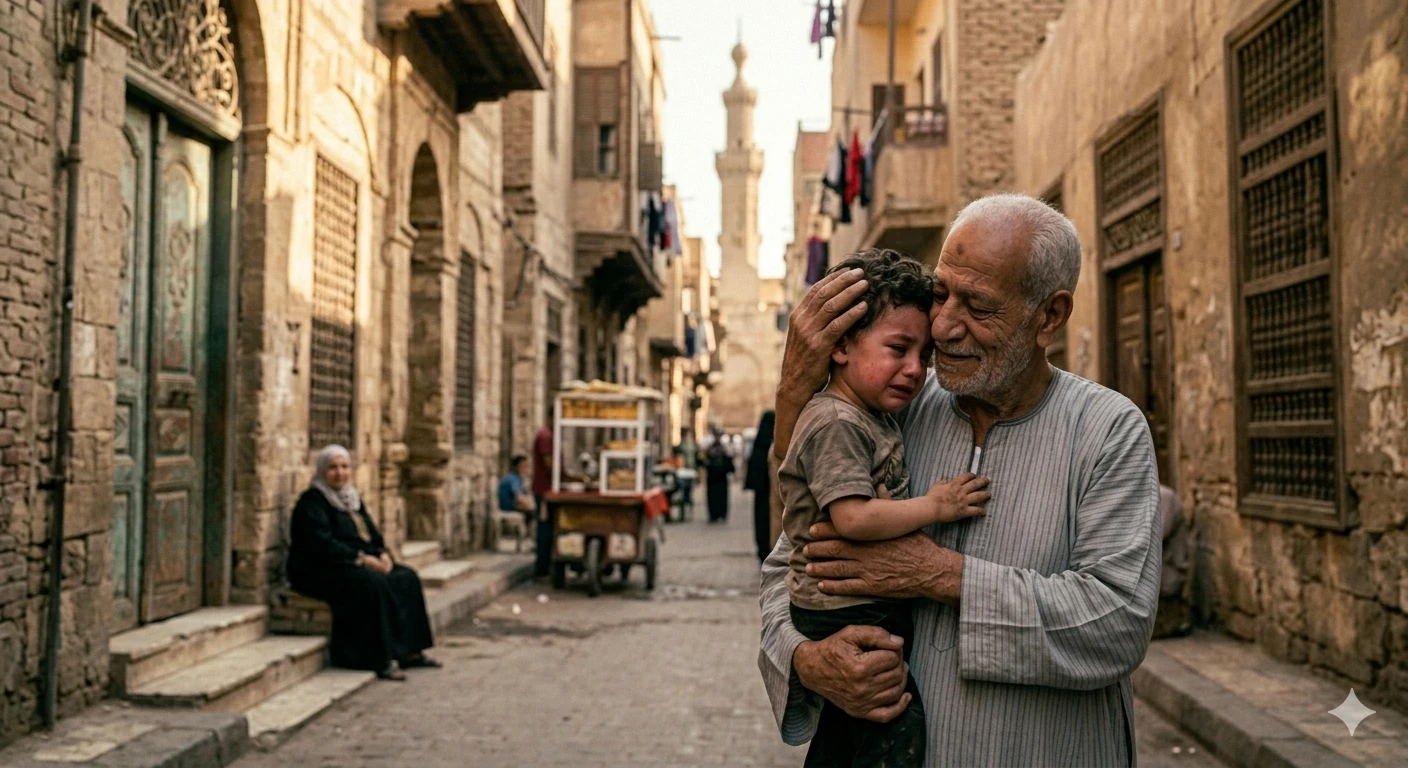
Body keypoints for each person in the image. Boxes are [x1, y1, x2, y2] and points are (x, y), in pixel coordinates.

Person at [759, 193, 1161, 766]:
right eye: (942, 293)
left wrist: (939, 575)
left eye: (978, 305)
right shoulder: (890, 412)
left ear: (1049, 316)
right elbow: (790, 561)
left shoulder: (1107, 432)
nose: (944, 326)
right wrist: (807, 658)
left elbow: (1117, 620)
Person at [778, 251, 991, 767]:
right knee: (891, 723)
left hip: (853, 604)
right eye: (898, 348)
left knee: (855, 731)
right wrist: (935, 506)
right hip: (845, 609)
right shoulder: (838, 421)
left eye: (926, 355)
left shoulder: (873, 413)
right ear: (842, 345)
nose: (916, 370)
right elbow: (851, 518)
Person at [288, 445, 438, 681]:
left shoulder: (352, 499)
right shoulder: (312, 502)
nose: (340, 473)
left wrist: (381, 554)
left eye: (344, 467)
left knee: (405, 577)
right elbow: (321, 543)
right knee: (371, 585)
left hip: (354, 562)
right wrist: (361, 559)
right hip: (321, 568)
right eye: (333, 468)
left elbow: (371, 535)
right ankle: (378, 658)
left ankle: (409, 651)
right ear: (321, 471)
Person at [744, 411, 777, 562]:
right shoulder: (775, 448)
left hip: (762, 492)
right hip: (772, 492)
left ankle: (763, 549)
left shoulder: (759, 447)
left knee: (761, 520)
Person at [531, 427, 555, 577]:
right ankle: (542, 567)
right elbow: (549, 463)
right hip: (544, 491)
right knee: (545, 529)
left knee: (549, 529)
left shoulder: (551, 435)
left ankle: (546, 565)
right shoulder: (546, 436)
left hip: (547, 490)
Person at [704, 434, 735, 523]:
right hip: (713, 479)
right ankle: (714, 514)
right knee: (713, 498)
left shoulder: (723, 450)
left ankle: (720, 514)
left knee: (721, 497)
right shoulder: (710, 450)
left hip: (720, 478)